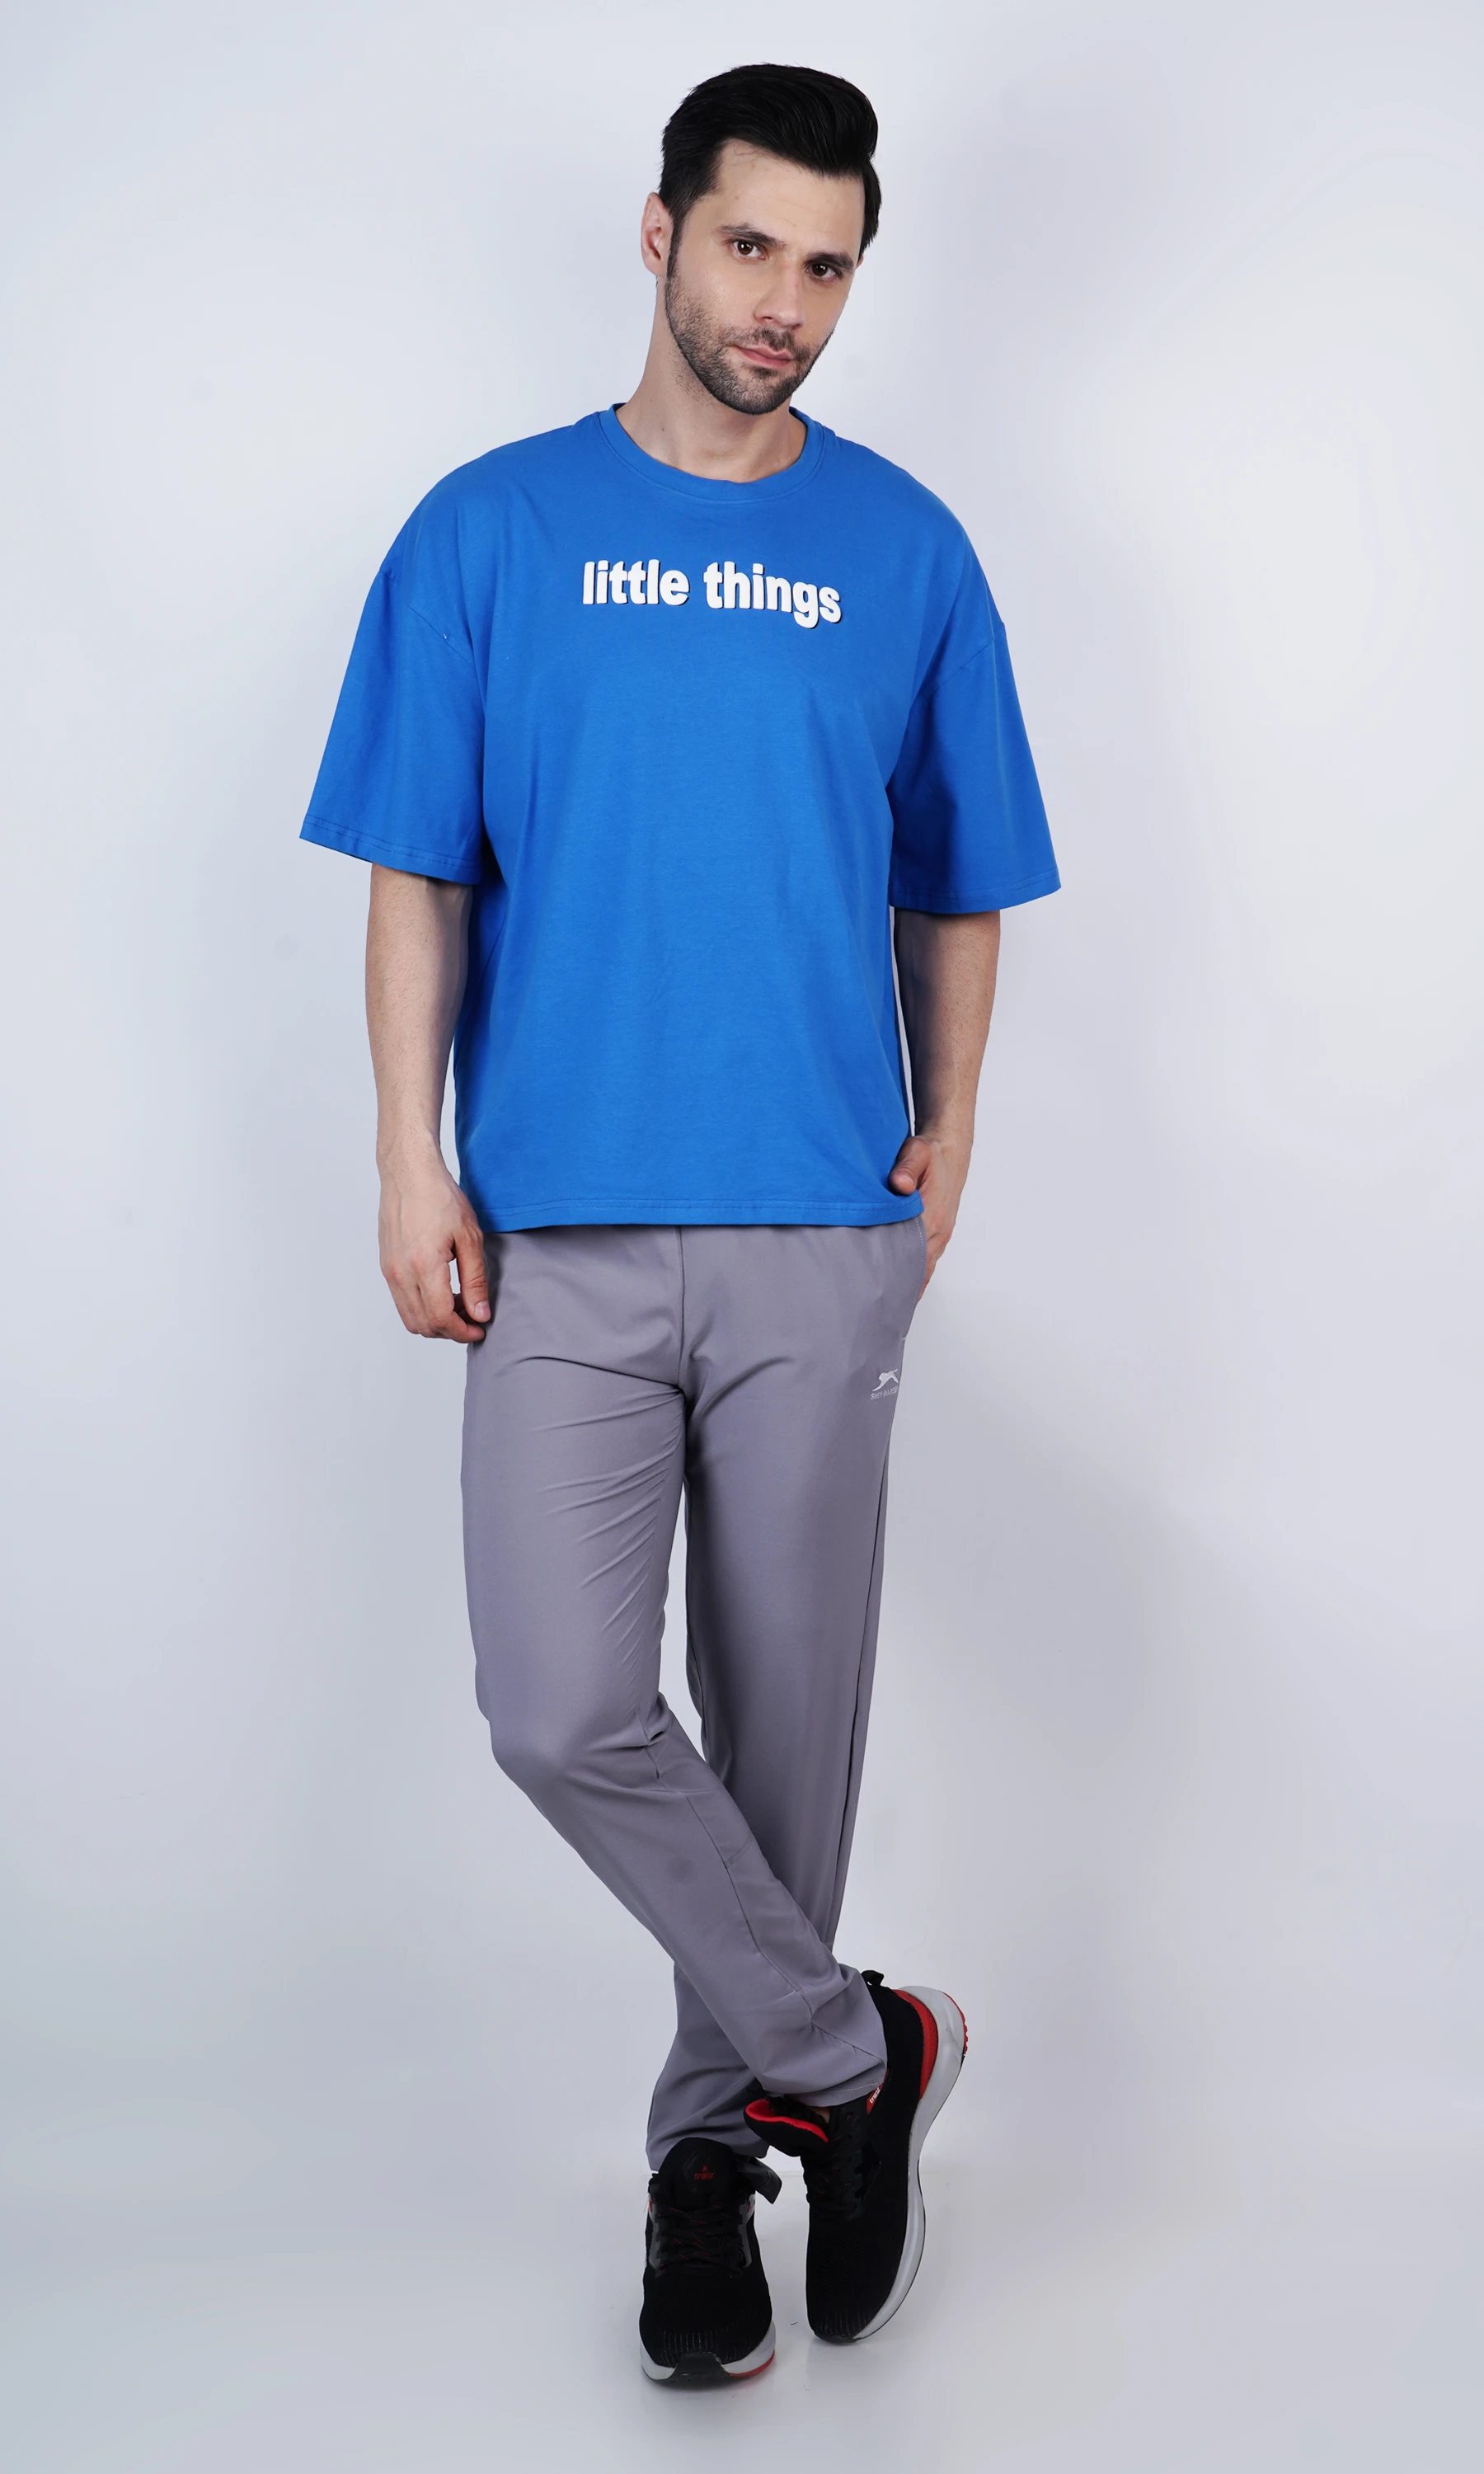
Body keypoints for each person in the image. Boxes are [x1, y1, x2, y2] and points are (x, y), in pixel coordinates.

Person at [302, 60, 1058, 2385]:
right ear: (660, 236)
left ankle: (706, 2159)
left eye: (828, 267)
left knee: (784, 1730)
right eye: (750, 249)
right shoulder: (489, 532)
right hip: (560, 1234)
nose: (786, 306)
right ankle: (858, 2055)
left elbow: (958, 877)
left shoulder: (907, 550)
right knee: (559, 1706)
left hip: (822, 1226)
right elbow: (417, 865)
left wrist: (951, 1131)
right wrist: (412, 1155)